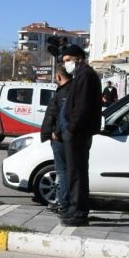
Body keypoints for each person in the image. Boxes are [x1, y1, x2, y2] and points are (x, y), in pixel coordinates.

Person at [58, 45, 102, 227]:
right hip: (75, 132)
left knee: (77, 174)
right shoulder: (81, 75)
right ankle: (73, 209)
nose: (66, 64)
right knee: (74, 173)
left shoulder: (86, 75)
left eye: (68, 60)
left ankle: (79, 212)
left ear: (79, 59)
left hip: (78, 133)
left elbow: (82, 106)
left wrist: (72, 128)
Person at [40, 66, 73, 213]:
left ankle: (62, 202)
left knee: (62, 171)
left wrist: (56, 132)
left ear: (59, 77)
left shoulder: (65, 91)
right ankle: (63, 201)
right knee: (63, 171)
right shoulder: (68, 89)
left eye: (55, 76)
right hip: (63, 136)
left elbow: (64, 114)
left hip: (61, 138)